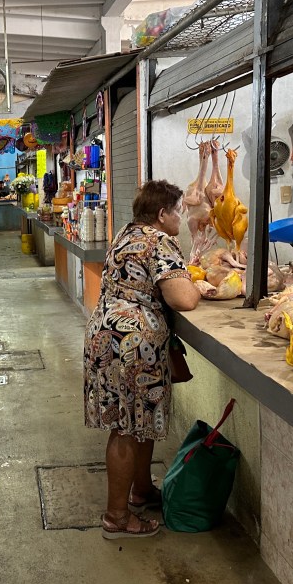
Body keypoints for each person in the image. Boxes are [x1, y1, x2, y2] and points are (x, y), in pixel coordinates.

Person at [84, 180, 200, 539]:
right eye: (178, 211)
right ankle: (117, 518)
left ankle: (141, 490)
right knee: (126, 428)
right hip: (133, 345)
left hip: (107, 334)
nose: (181, 218)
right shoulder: (160, 240)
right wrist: (196, 284)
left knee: (139, 421)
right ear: (162, 214)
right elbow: (184, 300)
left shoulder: (127, 232)